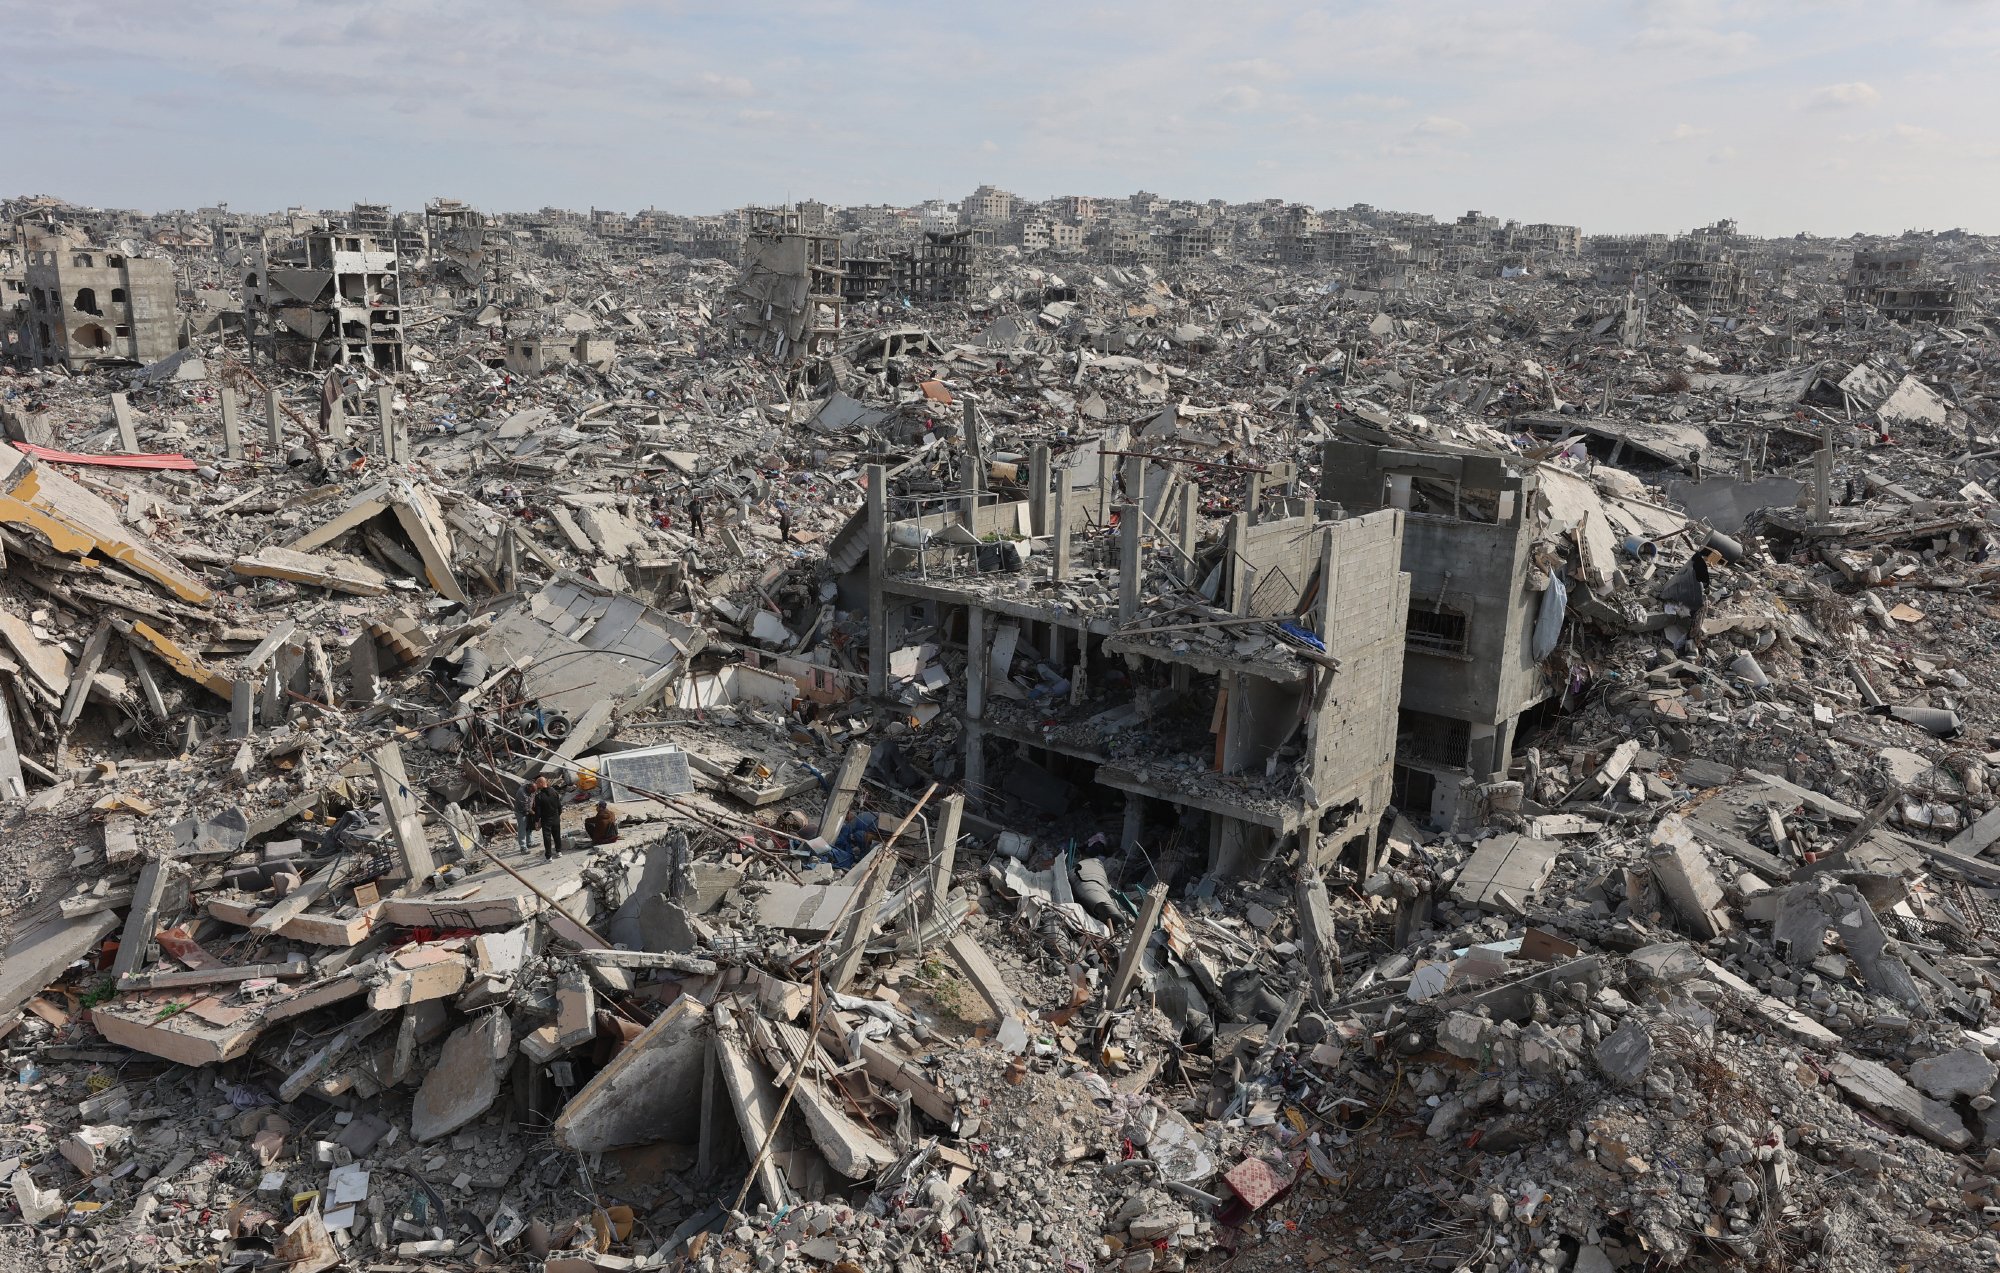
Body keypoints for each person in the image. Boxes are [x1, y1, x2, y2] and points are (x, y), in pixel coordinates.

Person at [531, 775, 565, 860]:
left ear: (542, 783)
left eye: (537, 783)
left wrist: (536, 821)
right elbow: (559, 806)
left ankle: (549, 857)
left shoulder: (539, 796)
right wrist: (558, 815)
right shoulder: (554, 792)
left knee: (547, 838)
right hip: (556, 818)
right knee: (557, 835)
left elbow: (538, 811)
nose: (536, 785)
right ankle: (558, 851)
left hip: (546, 820)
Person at [513, 777, 536, 856]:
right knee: (522, 828)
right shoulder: (521, 793)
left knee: (529, 827)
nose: (532, 793)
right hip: (521, 812)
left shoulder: (532, 790)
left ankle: (529, 842)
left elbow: (533, 798)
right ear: (529, 787)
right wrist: (532, 812)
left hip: (528, 810)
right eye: (531, 791)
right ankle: (523, 847)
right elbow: (525, 807)